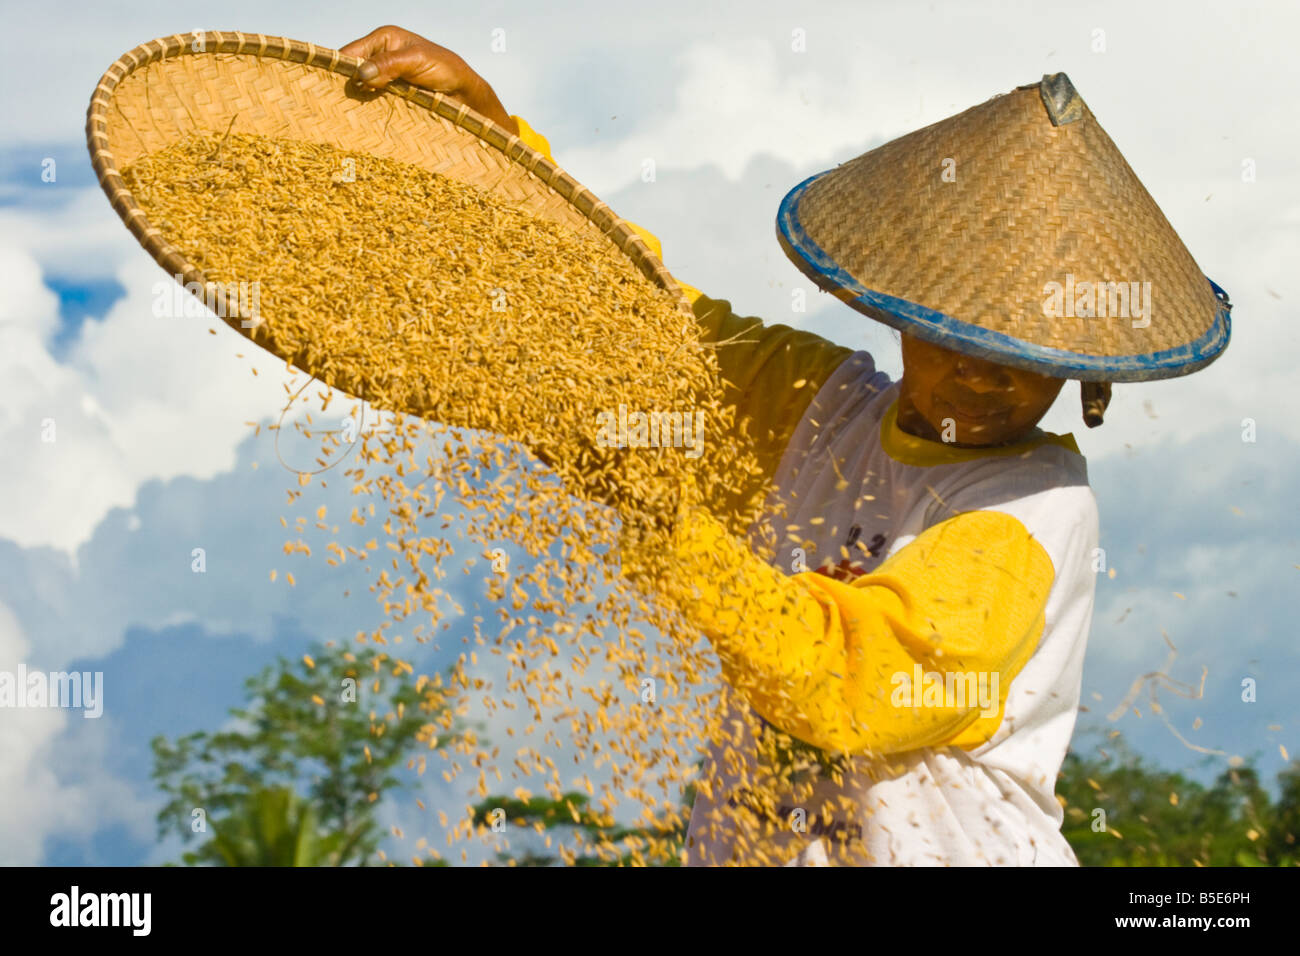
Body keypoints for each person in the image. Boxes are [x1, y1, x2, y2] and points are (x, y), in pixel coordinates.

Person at [340, 26, 1232, 865]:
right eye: (959, 335)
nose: (985, 375)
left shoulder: (1027, 515)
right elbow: (646, 326)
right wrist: (497, 142)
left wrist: (670, 528)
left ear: (1083, 374)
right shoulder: (822, 411)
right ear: (897, 314)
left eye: (1023, 356)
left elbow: (849, 681)